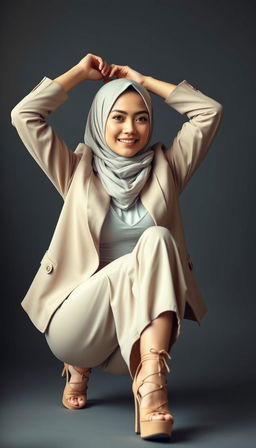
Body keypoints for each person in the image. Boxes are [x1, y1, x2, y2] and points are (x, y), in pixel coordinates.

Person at [11, 53, 224, 440]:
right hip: (75, 328)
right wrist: (78, 74)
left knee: (157, 239)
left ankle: (147, 375)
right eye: (119, 117)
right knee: (155, 242)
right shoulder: (77, 171)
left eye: (141, 117)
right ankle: (146, 394)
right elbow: (24, 116)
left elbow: (209, 112)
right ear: (99, 121)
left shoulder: (167, 170)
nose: (131, 128)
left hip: (134, 333)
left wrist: (145, 80)